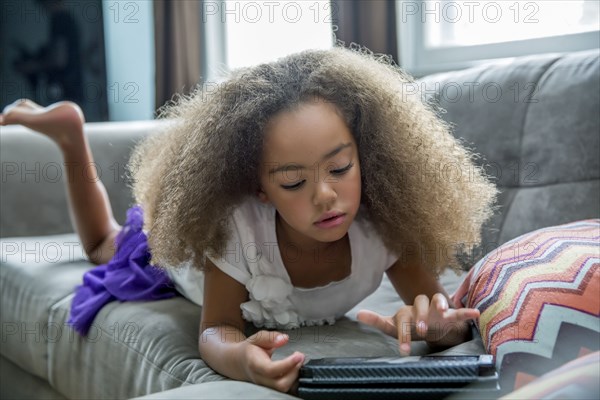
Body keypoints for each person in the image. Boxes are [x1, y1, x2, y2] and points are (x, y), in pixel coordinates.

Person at [0, 47, 497, 393]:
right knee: (105, 246)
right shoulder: (238, 229)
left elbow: (444, 319)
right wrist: (241, 359)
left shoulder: (384, 228)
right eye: (293, 181)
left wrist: (439, 329)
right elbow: (216, 329)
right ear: (259, 188)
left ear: (366, 156)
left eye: (341, 169)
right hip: (184, 262)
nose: (326, 195)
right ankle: (70, 134)